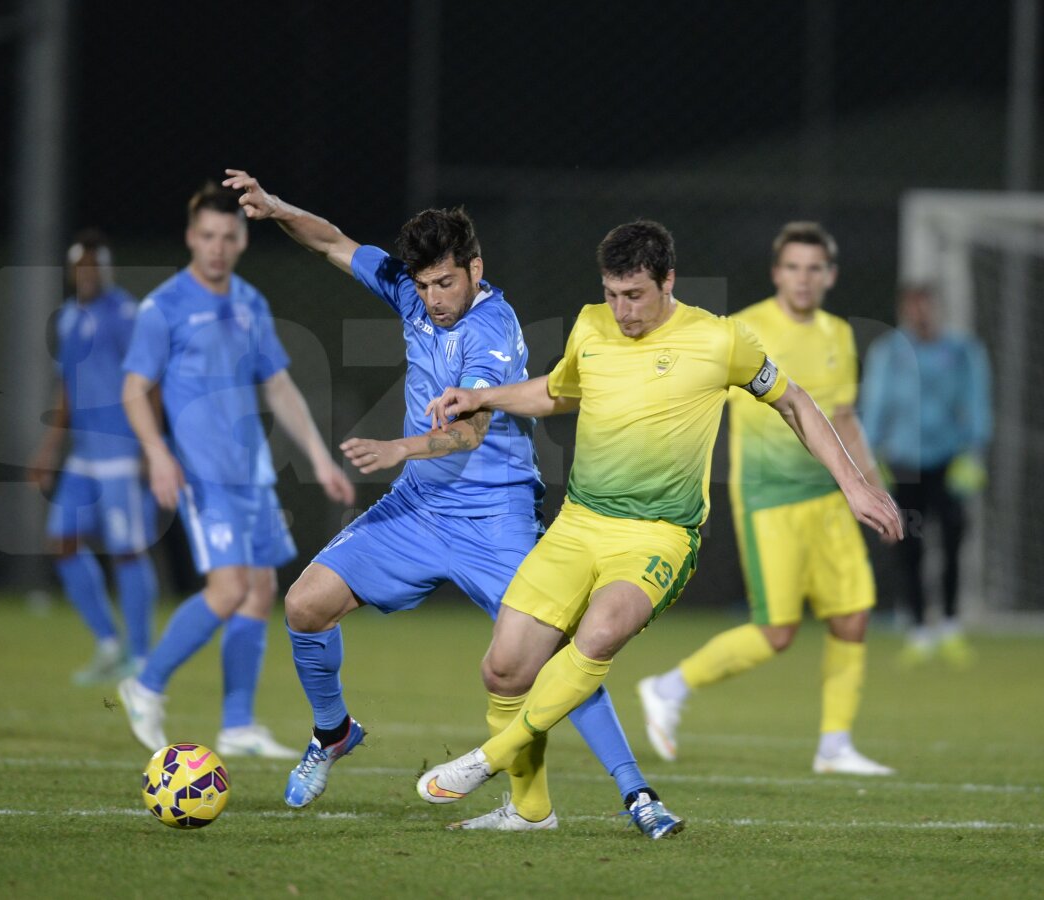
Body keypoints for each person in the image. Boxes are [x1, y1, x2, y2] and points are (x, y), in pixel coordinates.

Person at [417, 220, 903, 836]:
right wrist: (481, 397)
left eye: (635, 295)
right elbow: (559, 392)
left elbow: (794, 401)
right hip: (579, 524)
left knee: (598, 635)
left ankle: (490, 756)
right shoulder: (592, 324)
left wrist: (854, 482)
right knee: (504, 669)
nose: (622, 311)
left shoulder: (720, 340)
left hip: (659, 535)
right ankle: (530, 810)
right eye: (612, 294)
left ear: (668, 281)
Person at [222, 167, 659, 833]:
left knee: (550, 653)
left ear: (475, 269)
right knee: (305, 605)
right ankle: (333, 732)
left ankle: (635, 792)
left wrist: (399, 448)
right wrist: (277, 206)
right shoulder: (411, 292)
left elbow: (470, 430)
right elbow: (332, 241)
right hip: (419, 509)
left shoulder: (492, 328)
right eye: (424, 285)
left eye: (445, 283)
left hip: (495, 517)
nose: (433, 298)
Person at [639, 222, 898, 776]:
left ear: (829, 276)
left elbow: (844, 417)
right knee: (776, 632)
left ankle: (835, 746)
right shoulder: (745, 329)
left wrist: (874, 486)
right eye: (793, 267)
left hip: (828, 500)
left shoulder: (837, 333)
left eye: (814, 268)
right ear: (777, 273)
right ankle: (669, 687)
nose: (803, 278)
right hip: (769, 502)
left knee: (852, 618)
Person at [115, 183, 355, 759]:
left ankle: (238, 725)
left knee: (262, 590)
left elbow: (278, 385)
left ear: (242, 240)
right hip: (204, 474)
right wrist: (158, 454)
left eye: (227, 236)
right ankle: (145, 685)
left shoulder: (249, 302)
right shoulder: (164, 307)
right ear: (190, 238)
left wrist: (319, 458)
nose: (217, 247)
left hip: (253, 474)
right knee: (228, 590)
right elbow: (133, 389)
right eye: (207, 236)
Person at [28, 229, 160, 686]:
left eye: (94, 265)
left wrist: (152, 445)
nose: (87, 273)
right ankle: (108, 643)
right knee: (62, 542)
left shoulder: (124, 313)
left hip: (121, 451)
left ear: (107, 269)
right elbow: (66, 389)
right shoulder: (68, 317)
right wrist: (48, 449)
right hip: (83, 454)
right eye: (80, 266)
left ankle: (140, 657)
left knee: (127, 551)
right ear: (71, 270)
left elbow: (149, 379)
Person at [860, 284, 992, 666]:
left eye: (927, 306)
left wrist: (974, 452)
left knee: (953, 539)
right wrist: (871, 462)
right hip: (903, 462)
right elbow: (875, 405)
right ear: (905, 310)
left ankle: (950, 624)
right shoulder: (890, 352)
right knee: (908, 544)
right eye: (913, 307)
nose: (920, 314)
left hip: (948, 460)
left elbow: (976, 400)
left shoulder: (961, 351)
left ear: (939, 309)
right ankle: (918, 630)